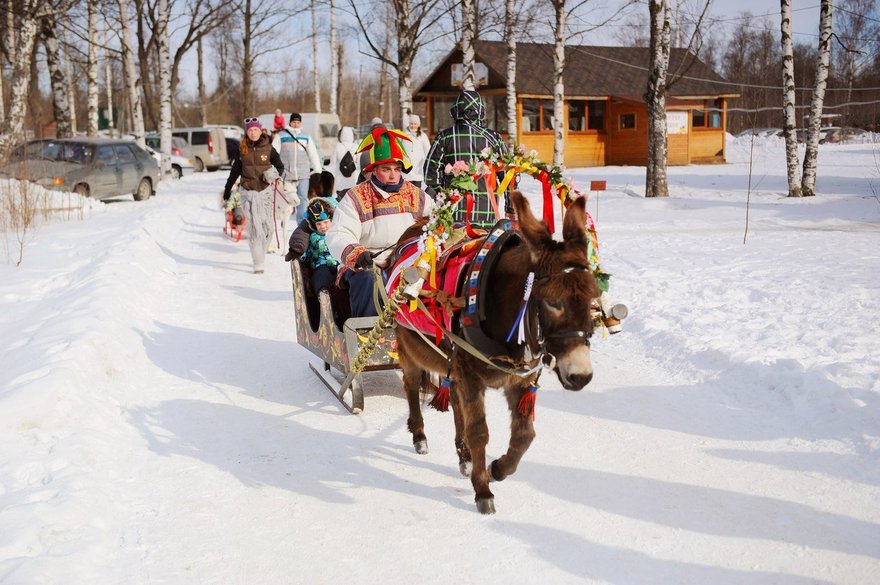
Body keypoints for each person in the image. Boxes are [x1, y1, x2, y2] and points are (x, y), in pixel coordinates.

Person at [326, 127, 433, 318]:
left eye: (397, 169)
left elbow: (435, 223)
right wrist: (357, 255)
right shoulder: (355, 197)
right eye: (386, 169)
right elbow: (339, 233)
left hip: (407, 261)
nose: (393, 175)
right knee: (368, 278)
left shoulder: (416, 195)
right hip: (367, 263)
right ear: (373, 170)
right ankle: (367, 334)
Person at [423, 90, 508, 228]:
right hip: (487, 213)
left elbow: (430, 172)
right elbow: (507, 176)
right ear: (481, 110)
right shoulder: (494, 138)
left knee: (455, 249)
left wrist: (442, 198)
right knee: (484, 249)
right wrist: (510, 208)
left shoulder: (445, 137)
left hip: (454, 215)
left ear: (458, 109)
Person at [223, 117, 285, 274]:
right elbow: (235, 171)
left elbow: (280, 167)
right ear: (246, 132)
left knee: (269, 228)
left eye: (255, 129)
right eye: (250, 130)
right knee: (254, 229)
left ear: (260, 130)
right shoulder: (242, 149)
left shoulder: (269, 148)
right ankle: (258, 262)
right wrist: (227, 189)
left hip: (266, 194)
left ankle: (261, 253)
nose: (253, 132)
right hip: (248, 193)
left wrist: (270, 175)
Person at [272, 112, 322, 221]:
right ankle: (283, 218)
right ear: (290, 122)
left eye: (298, 122)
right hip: (286, 174)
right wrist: (273, 170)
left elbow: (313, 153)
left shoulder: (306, 136)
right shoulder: (281, 136)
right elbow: (273, 154)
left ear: (301, 123)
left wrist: (317, 169)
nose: (296, 124)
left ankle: (301, 224)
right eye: (294, 122)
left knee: (302, 199)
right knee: (286, 198)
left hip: (303, 173)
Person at [299, 198, 339, 292]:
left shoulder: (338, 233)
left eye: (326, 222)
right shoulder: (314, 237)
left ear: (332, 220)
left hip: (338, 264)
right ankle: (323, 294)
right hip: (321, 265)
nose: (323, 226)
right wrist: (302, 255)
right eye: (319, 224)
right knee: (321, 276)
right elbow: (308, 253)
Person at [328, 126, 359, 199]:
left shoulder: (338, 146)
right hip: (353, 178)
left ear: (341, 135)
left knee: (340, 198)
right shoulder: (356, 146)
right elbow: (359, 163)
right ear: (352, 135)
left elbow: (332, 163)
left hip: (340, 179)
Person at [403, 114, 430, 187]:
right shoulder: (404, 136)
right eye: (411, 123)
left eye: (415, 124)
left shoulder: (422, 136)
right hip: (407, 169)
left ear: (418, 125)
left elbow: (428, 150)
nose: (413, 126)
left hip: (418, 168)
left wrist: (425, 161)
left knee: (417, 190)